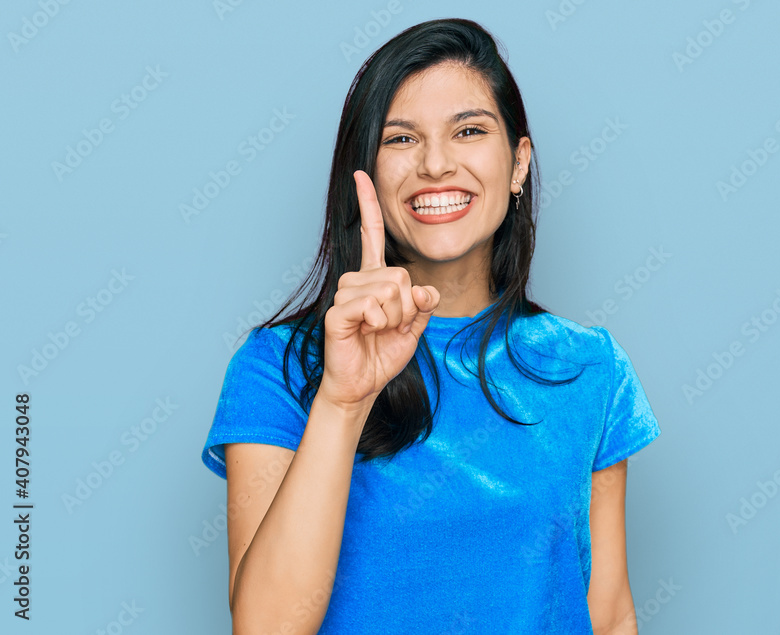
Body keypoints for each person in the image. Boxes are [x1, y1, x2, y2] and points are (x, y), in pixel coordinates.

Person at [200, 17, 661, 635]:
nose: (436, 165)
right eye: (401, 140)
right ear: (363, 174)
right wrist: (342, 401)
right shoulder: (279, 367)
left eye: (469, 130)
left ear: (518, 163)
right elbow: (265, 628)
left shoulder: (588, 366)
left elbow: (607, 613)